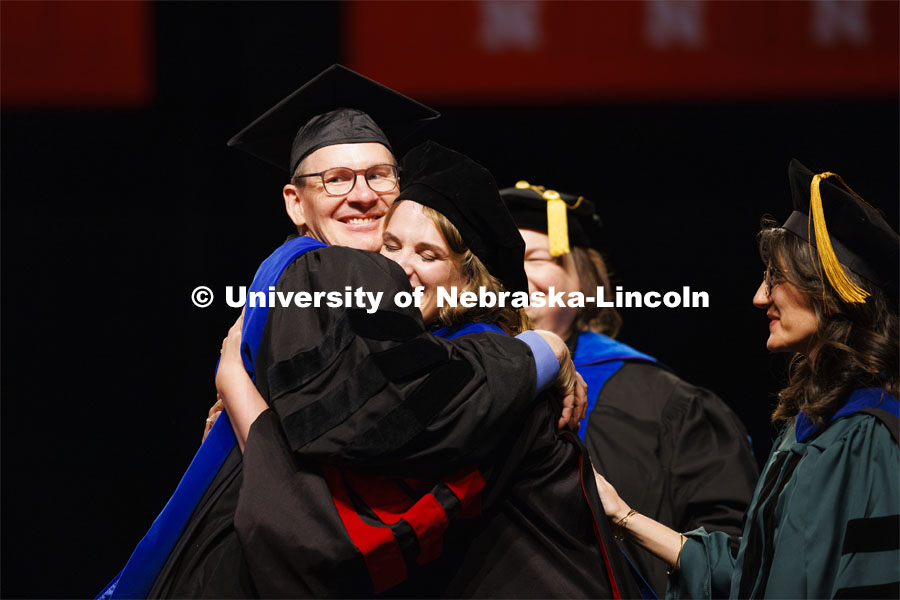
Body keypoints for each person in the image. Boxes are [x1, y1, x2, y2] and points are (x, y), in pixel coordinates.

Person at [98, 66, 584, 599]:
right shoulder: (333, 272)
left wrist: (239, 390)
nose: (362, 194)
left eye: (380, 175)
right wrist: (541, 349)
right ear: (294, 202)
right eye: (335, 179)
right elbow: (405, 415)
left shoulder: (298, 277)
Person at [214, 140, 638, 597]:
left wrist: (238, 386)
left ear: (469, 279)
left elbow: (334, 535)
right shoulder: (423, 356)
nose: (398, 269)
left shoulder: (486, 366)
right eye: (390, 246)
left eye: (428, 254)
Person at [593, 159, 899, 599]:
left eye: (775, 278)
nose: (760, 298)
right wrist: (622, 515)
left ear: (830, 288)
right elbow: (753, 578)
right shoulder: (809, 428)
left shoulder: (871, 435)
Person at [501, 182, 759, 596]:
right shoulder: (457, 387)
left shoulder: (667, 405)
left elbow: (731, 554)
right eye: (503, 262)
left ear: (584, 283)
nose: (518, 274)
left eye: (536, 257)